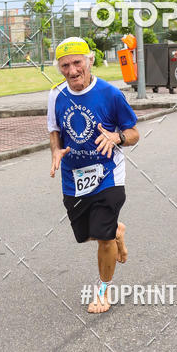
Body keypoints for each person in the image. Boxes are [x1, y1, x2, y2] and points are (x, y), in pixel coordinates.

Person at [48, 37, 139, 315]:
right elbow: (54, 130)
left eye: (77, 62)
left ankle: (102, 290)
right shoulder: (56, 95)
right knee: (86, 235)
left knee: (102, 238)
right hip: (73, 178)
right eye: (65, 65)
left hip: (109, 175)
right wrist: (55, 151)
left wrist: (116, 137)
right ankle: (116, 232)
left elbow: (134, 133)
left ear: (89, 61)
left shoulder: (110, 94)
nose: (72, 70)